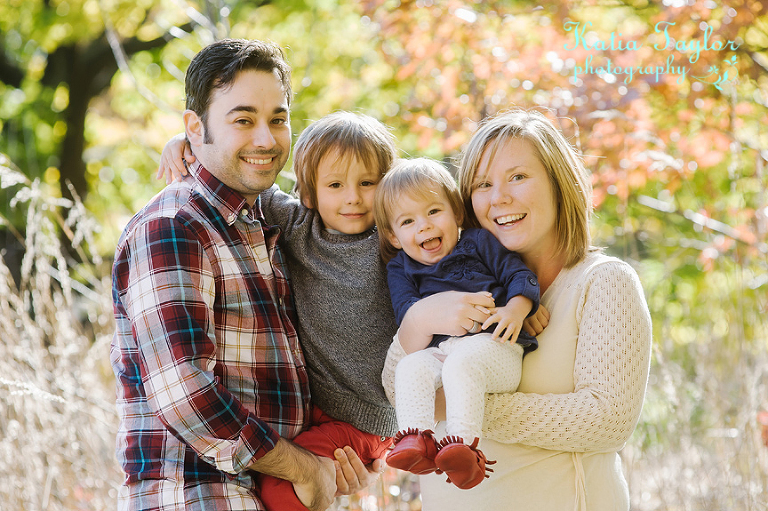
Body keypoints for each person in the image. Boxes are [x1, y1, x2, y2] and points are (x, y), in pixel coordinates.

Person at [111, 39, 378, 511]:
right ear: (195, 127)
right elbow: (183, 391)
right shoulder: (174, 227)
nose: (265, 139)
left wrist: (330, 463)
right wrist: (301, 467)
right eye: (243, 120)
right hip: (198, 496)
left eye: (277, 119)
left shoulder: (265, 226)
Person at [381, 109, 652, 510]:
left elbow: (605, 421)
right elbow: (395, 387)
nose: (498, 198)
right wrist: (422, 317)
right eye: (483, 184)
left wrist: (463, 401)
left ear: (560, 183)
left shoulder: (603, 281)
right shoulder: (450, 280)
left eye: (518, 177)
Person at [156, 111, 400, 511]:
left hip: (361, 418)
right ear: (309, 194)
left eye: (368, 183)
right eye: (335, 185)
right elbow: (240, 177)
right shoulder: (300, 226)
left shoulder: (394, 244)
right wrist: (185, 146)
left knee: (279, 492)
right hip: (311, 406)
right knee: (289, 480)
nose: (352, 197)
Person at [372, 158, 543, 490]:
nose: (423, 226)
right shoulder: (400, 268)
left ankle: (465, 449)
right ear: (393, 236)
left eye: (433, 212)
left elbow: (518, 275)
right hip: (444, 351)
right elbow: (408, 315)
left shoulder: (478, 243)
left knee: (459, 368)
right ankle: (417, 439)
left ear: (456, 213)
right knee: (410, 368)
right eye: (408, 221)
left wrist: (517, 309)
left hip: (496, 347)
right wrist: (429, 314)